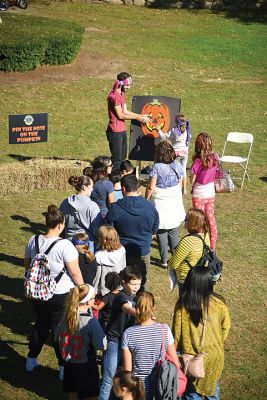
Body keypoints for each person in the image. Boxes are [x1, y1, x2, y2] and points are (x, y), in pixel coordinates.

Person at [24, 205, 84, 379]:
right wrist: (83, 288)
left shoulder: (33, 240)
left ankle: (31, 358)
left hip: (37, 291)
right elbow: (75, 272)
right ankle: (63, 365)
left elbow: (27, 266)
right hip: (60, 293)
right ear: (60, 224)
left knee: (40, 324)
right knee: (59, 329)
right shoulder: (65, 245)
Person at [172, 265, 231, 400]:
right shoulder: (219, 303)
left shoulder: (182, 306)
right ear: (209, 283)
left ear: (189, 282)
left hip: (191, 358)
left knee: (192, 395)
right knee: (212, 393)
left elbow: (176, 335)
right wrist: (217, 342)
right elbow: (226, 327)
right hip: (215, 356)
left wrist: (173, 355)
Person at [122, 291, 180, 399]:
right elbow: (176, 363)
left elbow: (128, 371)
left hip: (139, 389)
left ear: (135, 307)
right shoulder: (164, 329)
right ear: (153, 308)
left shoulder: (128, 334)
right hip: (161, 387)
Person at [106, 174, 159, 288]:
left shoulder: (115, 209)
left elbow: (108, 231)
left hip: (122, 252)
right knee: (141, 280)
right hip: (143, 251)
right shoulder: (150, 207)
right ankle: (143, 303)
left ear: (123, 189)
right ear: (137, 187)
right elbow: (154, 230)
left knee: (123, 281)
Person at [56, 284, 106, 400]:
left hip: (69, 363)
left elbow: (57, 336)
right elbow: (101, 344)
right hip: (86, 364)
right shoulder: (90, 322)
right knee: (91, 396)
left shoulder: (66, 316)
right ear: (88, 302)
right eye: (94, 297)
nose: (95, 299)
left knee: (73, 394)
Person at [99, 265, 142, 400]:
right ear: (124, 283)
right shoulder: (120, 296)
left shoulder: (137, 297)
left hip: (129, 342)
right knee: (109, 377)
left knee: (126, 376)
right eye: (133, 284)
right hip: (115, 340)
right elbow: (127, 309)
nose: (136, 287)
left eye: (139, 284)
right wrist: (143, 314)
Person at [145, 141, 185, 268]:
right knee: (174, 230)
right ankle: (177, 258)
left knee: (161, 231)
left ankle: (164, 260)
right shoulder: (177, 164)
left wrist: (146, 199)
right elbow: (183, 179)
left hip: (161, 200)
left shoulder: (157, 167)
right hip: (174, 198)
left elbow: (151, 186)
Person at [106, 72, 150, 169]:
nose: (129, 87)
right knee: (117, 159)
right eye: (127, 85)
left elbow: (125, 111)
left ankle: (120, 180)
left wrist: (140, 115)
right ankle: (114, 180)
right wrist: (138, 118)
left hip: (121, 130)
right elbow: (121, 115)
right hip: (114, 131)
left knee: (122, 157)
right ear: (121, 84)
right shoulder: (114, 97)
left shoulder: (121, 94)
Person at [168, 208, 210, 293]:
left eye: (187, 219)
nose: (185, 221)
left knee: (185, 305)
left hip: (186, 279)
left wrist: (169, 263)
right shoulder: (206, 236)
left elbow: (174, 264)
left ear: (193, 222)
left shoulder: (188, 241)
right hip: (200, 278)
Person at [190, 133, 219, 251]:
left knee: (199, 222)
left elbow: (192, 180)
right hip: (210, 194)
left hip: (198, 195)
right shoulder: (215, 157)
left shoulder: (197, 161)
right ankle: (212, 247)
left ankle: (200, 246)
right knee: (211, 221)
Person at [60, 175, 102, 243]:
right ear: (85, 188)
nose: (92, 189)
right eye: (91, 187)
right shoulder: (92, 206)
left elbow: (60, 223)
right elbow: (97, 230)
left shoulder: (65, 202)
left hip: (68, 242)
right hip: (87, 243)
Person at [156, 113, 191, 194]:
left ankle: (178, 188)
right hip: (185, 153)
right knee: (183, 170)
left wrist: (159, 130)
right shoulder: (187, 129)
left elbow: (165, 137)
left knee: (176, 170)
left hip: (176, 153)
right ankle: (184, 189)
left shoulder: (174, 130)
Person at [93, 225, 126, 296]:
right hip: (118, 286)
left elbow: (97, 275)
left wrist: (94, 289)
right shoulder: (122, 250)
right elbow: (123, 267)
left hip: (104, 289)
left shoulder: (99, 256)